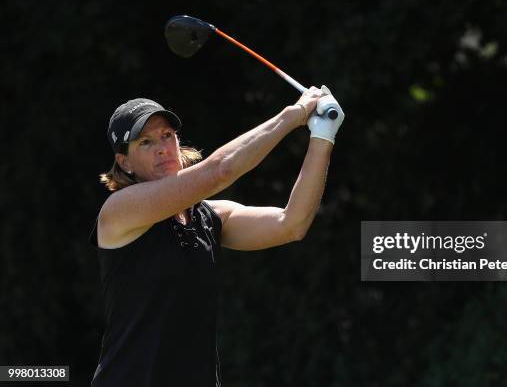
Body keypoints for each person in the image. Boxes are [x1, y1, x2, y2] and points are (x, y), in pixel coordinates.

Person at [88, 86, 345, 387]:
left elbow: (291, 224)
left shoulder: (210, 217)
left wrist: (322, 136)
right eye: (145, 142)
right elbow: (220, 171)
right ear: (125, 163)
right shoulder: (119, 211)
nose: (162, 147)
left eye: (167, 135)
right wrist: (296, 114)